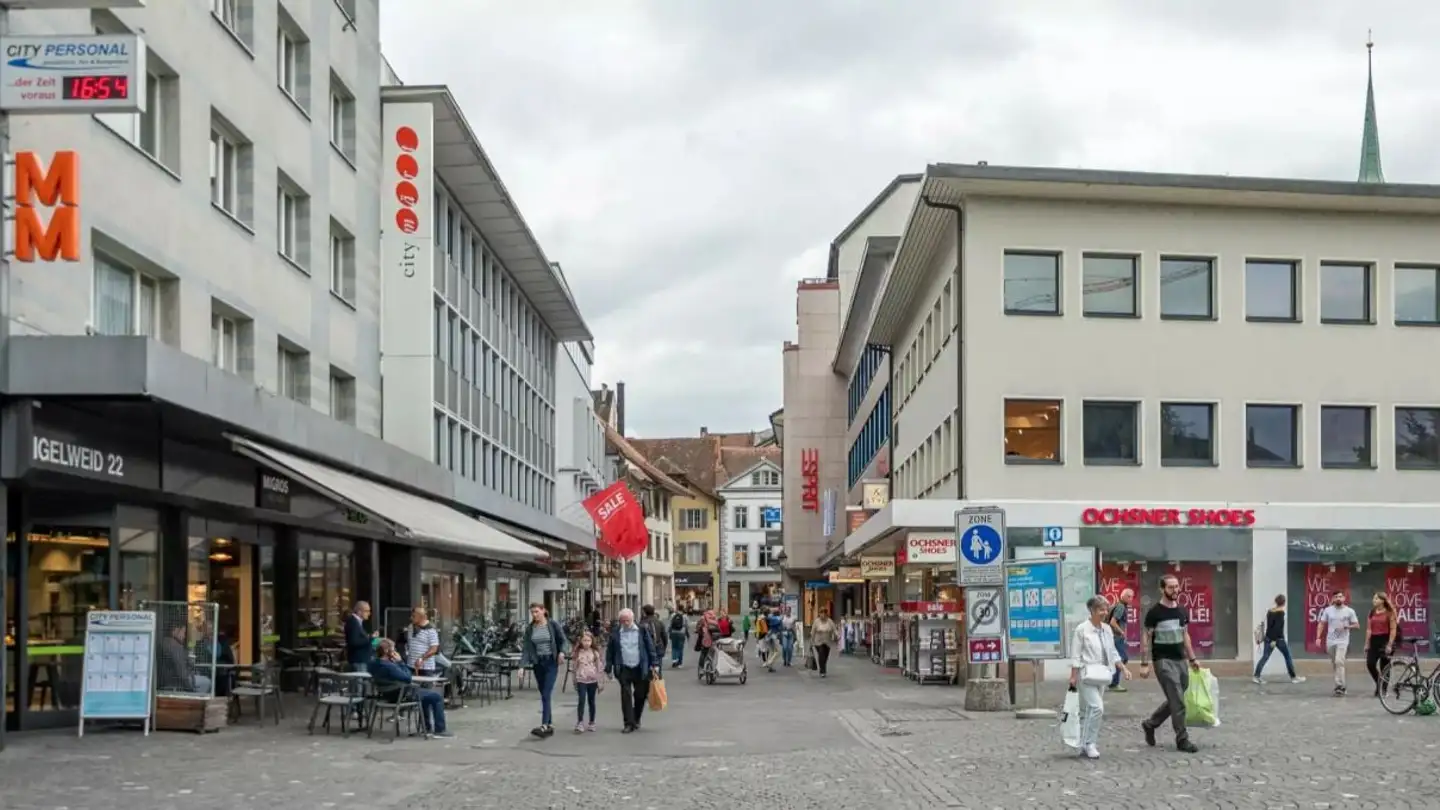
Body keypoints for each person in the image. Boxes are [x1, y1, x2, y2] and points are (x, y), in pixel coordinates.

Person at [1138, 574, 1200, 753]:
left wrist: (1192, 658)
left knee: (1177, 697)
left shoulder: (1181, 611)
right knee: (1178, 700)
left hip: (1180, 659)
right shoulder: (1154, 613)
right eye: (1171, 587)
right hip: (1163, 661)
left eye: (1176, 586)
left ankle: (1150, 724)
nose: (1175, 590)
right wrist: (1144, 663)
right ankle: (1182, 739)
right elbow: (1145, 637)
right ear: (1162, 589)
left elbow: (1185, 635)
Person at [1070, 595, 1132, 759]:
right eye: (1100, 609)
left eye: (1106, 609)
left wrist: (1123, 668)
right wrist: (1073, 676)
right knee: (1097, 707)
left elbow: (1112, 652)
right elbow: (1075, 655)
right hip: (1087, 673)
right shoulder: (1082, 630)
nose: (1104, 612)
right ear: (1092, 610)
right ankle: (1090, 743)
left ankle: (1084, 744)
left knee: (1091, 710)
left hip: (1103, 674)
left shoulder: (1107, 629)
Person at [370, 638, 450, 737]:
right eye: (393, 649)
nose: (395, 651)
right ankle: (440, 729)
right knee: (436, 697)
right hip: (401, 695)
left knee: (426, 696)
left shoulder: (373, 665)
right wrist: (400, 662)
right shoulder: (390, 667)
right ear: (387, 651)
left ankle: (427, 728)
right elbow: (407, 677)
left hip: (386, 695)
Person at [604, 608, 660, 733]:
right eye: (622, 620)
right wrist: (608, 668)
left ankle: (636, 718)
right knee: (626, 695)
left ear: (633, 619)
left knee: (640, 695)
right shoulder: (616, 632)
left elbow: (650, 647)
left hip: (640, 667)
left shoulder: (642, 630)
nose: (625, 623)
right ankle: (628, 723)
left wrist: (655, 663)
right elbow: (610, 651)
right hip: (623, 668)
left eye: (627, 620)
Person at [520, 602, 570, 738]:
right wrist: (521, 667)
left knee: (546, 693)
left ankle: (543, 725)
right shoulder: (531, 628)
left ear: (543, 610)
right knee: (544, 694)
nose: (534, 615)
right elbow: (526, 648)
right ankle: (550, 724)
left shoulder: (552, 625)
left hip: (551, 662)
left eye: (536, 611)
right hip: (538, 664)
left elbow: (564, 641)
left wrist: (562, 653)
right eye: (532, 612)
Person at [1315, 590, 1359, 697]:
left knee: (1339, 661)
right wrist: (1318, 637)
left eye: (1340, 596)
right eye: (1336, 597)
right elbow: (1321, 624)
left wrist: (1347, 627)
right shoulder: (1328, 610)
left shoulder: (1349, 611)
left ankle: (1340, 687)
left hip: (1343, 641)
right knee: (1335, 663)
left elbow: (1357, 625)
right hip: (1330, 641)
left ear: (1344, 598)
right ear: (1333, 599)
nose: (1338, 598)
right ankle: (1340, 684)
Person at [1253, 594, 1304, 684]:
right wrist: (1275, 640)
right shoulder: (1280, 613)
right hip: (1278, 639)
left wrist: (1270, 639)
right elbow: (1277, 628)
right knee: (1287, 656)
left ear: (1276, 602)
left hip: (1268, 637)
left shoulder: (1270, 611)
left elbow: (1270, 627)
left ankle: (1256, 676)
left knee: (1265, 657)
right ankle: (1293, 677)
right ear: (1284, 602)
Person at [1366, 592, 1399, 697]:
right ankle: (1379, 683)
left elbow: (1393, 629)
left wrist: (1389, 644)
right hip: (1374, 640)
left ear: (1382, 600)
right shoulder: (1372, 612)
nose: (1374, 600)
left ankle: (1383, 690)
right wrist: (1367, 643)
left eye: (1376, 599)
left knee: (1384, 666)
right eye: (1373, 598)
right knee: (1370, 663)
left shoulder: (1390, 612)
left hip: (1385, 639)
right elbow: (1369, 629)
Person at [571, 630, 604, 733]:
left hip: (592, 680)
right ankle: (580, 722)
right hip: (581, 679)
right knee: (581, 700)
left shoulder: (595, 653)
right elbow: (574, 668)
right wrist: (574, 681)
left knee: (591, 701)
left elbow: (599, 668)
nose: (586, 643)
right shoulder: (577, 653)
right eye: (584, 640)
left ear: (592, 641)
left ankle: (592, 722)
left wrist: (600, 682)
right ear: (580, 641)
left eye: (589, 640)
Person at [1106, 589, 1132, 692]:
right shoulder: (1121, 607)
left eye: (1131, 597)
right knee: (1122, 658)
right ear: (1123, 596)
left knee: (1119, 659)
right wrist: (1121, 632)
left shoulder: (1118, 605)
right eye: (1128, 596)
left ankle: (1112, 681)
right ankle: (1113, 683)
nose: (1130, 599)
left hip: (1114, 637)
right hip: (1116, 638)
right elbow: (1113, 622)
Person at [405, 607, 441, 675]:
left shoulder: (431, 630)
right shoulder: (410, 627)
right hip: (411, 665)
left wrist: (421, 659)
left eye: (414, 616)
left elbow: (434, 649)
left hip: (426, 668)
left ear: (421, 617)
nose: (411, 618)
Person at [344, 600, 374, 673]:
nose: (369, 614)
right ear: (359, 611)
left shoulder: (357, 622)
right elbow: (354, 642)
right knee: (359, 683)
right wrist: (370, 638)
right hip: (358, 661)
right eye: (367, 611)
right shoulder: (353, 622)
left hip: (361, 660)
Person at [810, 608, 838, 677]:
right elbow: (813, 632)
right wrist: (811, 641)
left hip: (827, 642)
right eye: (821, 613)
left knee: (825, 657)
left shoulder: (830, 621)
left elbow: (834, 629)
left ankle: (823, 667)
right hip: (818, 642)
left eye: (824, 613)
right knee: (821, 655)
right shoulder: (816, 621)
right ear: (819, 614)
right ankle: (822, 671)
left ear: (826, 614)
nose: (822, 615)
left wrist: (837, 635)